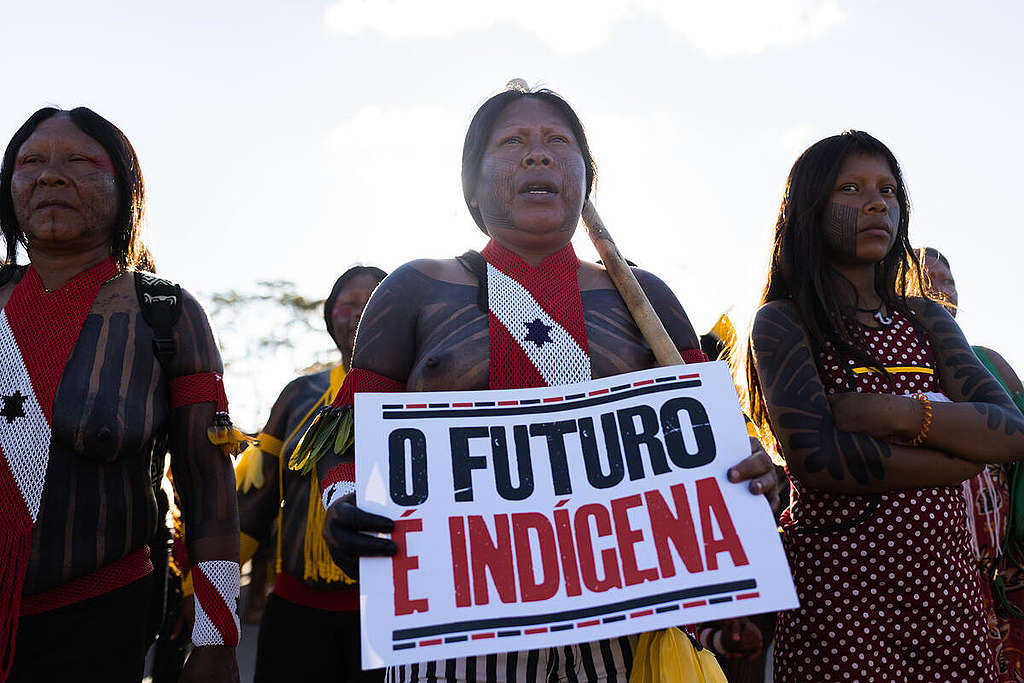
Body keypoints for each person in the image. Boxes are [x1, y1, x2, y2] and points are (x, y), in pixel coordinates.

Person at [298, 82, 780, 682]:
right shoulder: (416, 289)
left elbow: (710, 452)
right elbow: (345, 435)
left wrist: (751, 480)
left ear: (585, 180)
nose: (538, 155)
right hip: (451, 639)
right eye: (512, 142)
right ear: (471, 188)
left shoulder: (646, 298)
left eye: (559, 141)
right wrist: (344, 503)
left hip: (620, 639)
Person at [747, 130, 1024, 681]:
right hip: (839, 594)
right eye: (850, 188)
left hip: (950, 593)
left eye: (889, 191)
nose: (877, 203)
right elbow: (817, 462)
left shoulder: (927, 319)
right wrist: (961, 458)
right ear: (808, 208)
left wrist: (897, 415)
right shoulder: (786, 320)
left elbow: (1013, 433)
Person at [0, 107, 241, 682]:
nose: (50, 176)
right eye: (31, 162)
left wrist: (217, 637)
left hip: (96, 622)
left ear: (124, 186)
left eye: (79, 161)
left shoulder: (166, 313)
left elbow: (207, 488)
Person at [235, 265, 387, 682]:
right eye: (347, 305)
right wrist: (201, 590)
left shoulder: (423, 389)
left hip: (390, 613)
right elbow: (257, 501)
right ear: (328, 318)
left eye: (373, 302)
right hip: (295, 611)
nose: (358, 314)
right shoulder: (298, 395)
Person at [919, 246, 1024, 681]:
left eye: (948, 280)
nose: (942, 289)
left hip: (1005, 574)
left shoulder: (989, 362)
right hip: (933, 578)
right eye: (928, 280)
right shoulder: (896, 367)